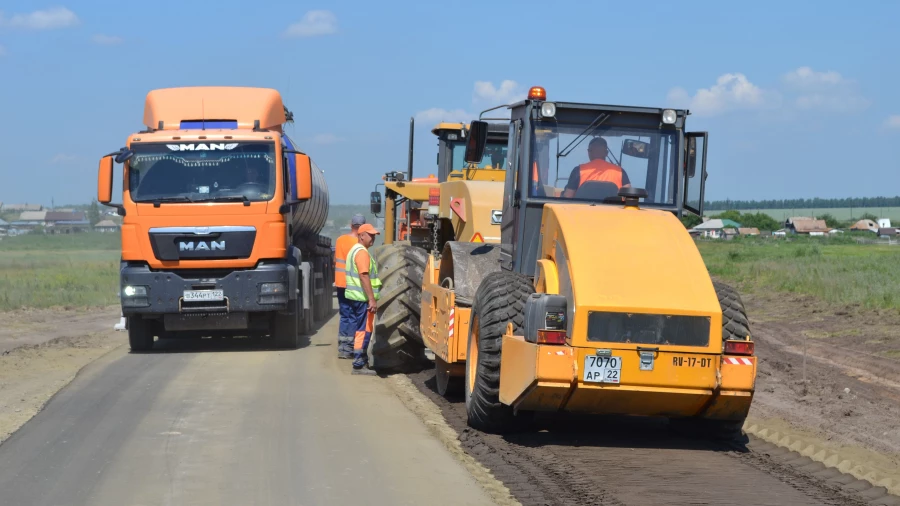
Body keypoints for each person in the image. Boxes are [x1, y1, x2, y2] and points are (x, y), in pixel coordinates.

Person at [344, 223, 382, 374]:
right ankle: (359, 363)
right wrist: (371, 299)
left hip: (356, 297)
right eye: (370, 235)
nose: (373, 238)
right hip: (362, 299)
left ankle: (360, 360)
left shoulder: (355, 250)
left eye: (374, 235)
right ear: (361, 235)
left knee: (360, 328)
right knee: (364, 330)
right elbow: (363, 275)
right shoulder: (362, 253)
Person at [334, 214, 366, 358]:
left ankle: (342, 347)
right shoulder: (359, 244)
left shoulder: (340, 240)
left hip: (340, 282)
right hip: (353, 284)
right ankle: (350, 347)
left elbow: (335, 260)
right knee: (353, 316)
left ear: (351, 225)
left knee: (344, 315)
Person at [561, 137, 631, 198]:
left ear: (589, 152)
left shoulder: (579, 170)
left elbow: (568, 196)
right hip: (614, 212)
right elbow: (629, 196)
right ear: (606, 153)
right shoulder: (620, 171)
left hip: (583, 212)